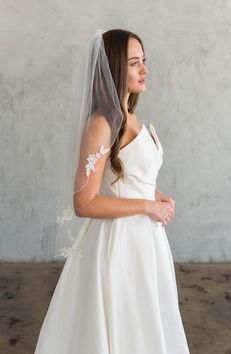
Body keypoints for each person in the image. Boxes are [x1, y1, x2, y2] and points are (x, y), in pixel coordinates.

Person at [34, 28, 190, 354]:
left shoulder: (127, 115)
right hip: (120, 245)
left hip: (146, 242)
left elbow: (127, 176)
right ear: (115, 68)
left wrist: (155, 194)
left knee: (148, 323)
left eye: (143, 61)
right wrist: (147, 207)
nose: (145, 70)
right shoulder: (102, 123)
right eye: (134, 64)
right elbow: (84, 202)